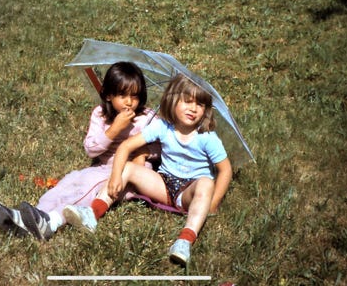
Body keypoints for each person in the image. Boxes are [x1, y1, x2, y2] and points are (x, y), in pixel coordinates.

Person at [63, 73, 233, 266]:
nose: (193, 108)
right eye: (187, 101)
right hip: (163, 184)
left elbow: (225, 170)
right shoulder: (163, 126)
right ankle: (92, 212)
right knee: (127, 167)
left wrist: (214, 202)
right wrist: (116, 176)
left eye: (200, 105)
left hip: (189, 192)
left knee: (206, 183)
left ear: (206, 110)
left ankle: (184, 241)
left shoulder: (207, 137)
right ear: (172, 100)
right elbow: (126, 146)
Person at [0, 61, 159, 241]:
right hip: (103, 166)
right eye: (122, 95)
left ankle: (53, 220)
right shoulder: (100, 114)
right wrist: (113, 130)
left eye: (135, 96)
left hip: (127, 175)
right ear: (109, 95)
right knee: (71, 180)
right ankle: (35, 214)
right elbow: (91, 150)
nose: (129, 102)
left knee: (89, 187)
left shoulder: (147, 118)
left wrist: (142, 153)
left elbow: (162, 147)